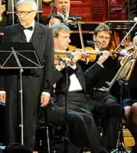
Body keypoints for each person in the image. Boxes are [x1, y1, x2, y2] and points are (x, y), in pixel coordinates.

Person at [47, 23, 114, 153]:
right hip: (65, 99)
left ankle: (107, 147)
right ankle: (100, 151)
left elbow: (84, 80)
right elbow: (54, 82)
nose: (70, 40)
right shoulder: (50, 58)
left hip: (83, 97)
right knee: (86, 117)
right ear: (54, 39)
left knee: (112, 108)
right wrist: (69, 64)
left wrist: (99, 62)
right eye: (65, 37)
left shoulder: (70, 55)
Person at [0, 0, 53, 148]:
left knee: (29, 122)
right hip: (12, 81)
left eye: (26, 13)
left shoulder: (46, 32)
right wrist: (1, 87)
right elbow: (3, 62)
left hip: (34, 82)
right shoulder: (9, 31)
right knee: (11, 122)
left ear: (34, 13)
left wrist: (46, 90)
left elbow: (49, 62)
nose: (22, 16)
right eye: (19, 13)